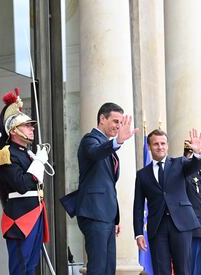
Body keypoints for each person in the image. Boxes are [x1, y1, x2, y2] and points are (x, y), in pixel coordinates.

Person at [73, 102, 138, 275]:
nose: (118, 126)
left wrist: (114, 217)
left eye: (121, 123)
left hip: (106, 215)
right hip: (94, 213)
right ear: (102, 119)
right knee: (98, 267)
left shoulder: (107, 145)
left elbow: (108, 184)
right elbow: (96, 152)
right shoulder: (90, 140)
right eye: (115, 121)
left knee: (108, 268)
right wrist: (117, 142)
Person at [0, 87, 49, 275]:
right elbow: (22, 185)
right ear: (14, 130)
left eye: (32, 125)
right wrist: (39, 163)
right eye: (27, 126)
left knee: (32, 266)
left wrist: (36, 159)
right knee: (21, 268)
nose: (32, 128)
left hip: (35, 213)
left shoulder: (27, 154)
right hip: (20, 217)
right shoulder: (6, 154)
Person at [133, 129, 201, 275]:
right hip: (157, 227)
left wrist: (197, 154)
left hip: (181, 224)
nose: (160, 147)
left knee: (183, 269)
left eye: (163, 143)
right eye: (156, 144)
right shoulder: (142, 174)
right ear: (149, 146)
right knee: (160, 270)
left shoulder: (180, 163)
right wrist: (139, 233)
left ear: (167, 145)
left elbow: (195, 166)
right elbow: (138, 206)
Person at [184, 142, 201, 275]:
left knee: (199, 268)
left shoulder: (200, 175)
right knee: (190, 267)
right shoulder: (184, 174)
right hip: (190, 227)